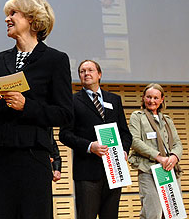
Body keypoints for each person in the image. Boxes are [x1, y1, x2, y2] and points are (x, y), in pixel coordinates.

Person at [0, 0, 73, 219]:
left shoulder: (55, 60)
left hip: (31, 159)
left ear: (32, 18)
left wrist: (26, 106)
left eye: (13, 13)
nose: (7, 19)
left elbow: (64, 114)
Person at [59, 60, 132, 219]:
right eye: (82, 71)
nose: (86, 73)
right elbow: (64, 135)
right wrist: (90, 146)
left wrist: (124, 150)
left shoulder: (114, 99)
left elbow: (125, 133)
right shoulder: (72, 101)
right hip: (87, 172)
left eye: (90, 70)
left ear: (99, 74)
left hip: (114, 171)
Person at [128, 83, 183, 219]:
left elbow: (177, 143)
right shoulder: (137, 116)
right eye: (148, 97)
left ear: (162, 99)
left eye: (155, 98)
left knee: (173, 214)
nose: (152, 101)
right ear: (143, 98)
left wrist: (174, 157)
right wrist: (159, 157)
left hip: (169, 170)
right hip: (149, 170)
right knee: (153, 213)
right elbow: (135, 141)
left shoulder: (167, 120)